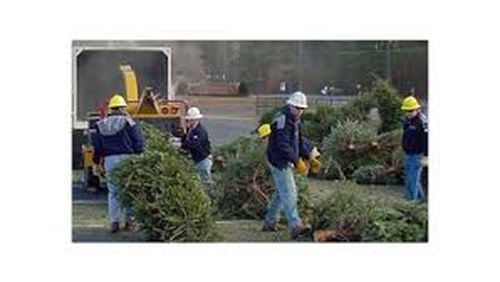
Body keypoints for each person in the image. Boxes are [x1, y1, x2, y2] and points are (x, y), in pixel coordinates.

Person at [262, 91, 315, 240]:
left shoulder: (295, 120)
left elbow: (298, 141)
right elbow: (282, 145)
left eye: (302, 109)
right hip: (278, 160)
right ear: (290, 105)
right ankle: (295, 225)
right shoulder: (283, 120)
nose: (300, 111)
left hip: (284, 159)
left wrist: (308, 155)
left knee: (280, 192)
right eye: (297, 108)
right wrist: (296, 161)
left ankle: (269, 221)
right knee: (290, 192)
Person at [91, 94, 144, 233]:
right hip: (127, 159)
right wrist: (139, 155)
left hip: (110, 160)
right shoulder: (129, 122)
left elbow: (97, 146)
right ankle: (130, 222)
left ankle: (114, 222)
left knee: (113, 192)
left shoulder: (100, 124)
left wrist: (97, 161)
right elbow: (138, 141)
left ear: (111, 108)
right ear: (122, 108)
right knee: (128, 190)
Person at [401, 95, 428, 203]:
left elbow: (427, 139)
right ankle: (420, 199)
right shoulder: (408, 121)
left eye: (411, 110)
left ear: (417, 109)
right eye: (406, 111)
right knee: (411, 178)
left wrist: (426, 155)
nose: (408, 113)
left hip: (417, 154)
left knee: (412, 179)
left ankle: (412, 202)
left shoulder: (422, 122)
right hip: (408, 153)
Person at [181, 107, 213, 195]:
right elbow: (185, 143)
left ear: (195, 120)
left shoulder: (200, 131)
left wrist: (186, 143)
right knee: (199, 181)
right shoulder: (191, 130)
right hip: (196, 160)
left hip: (203, 160)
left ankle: (210, 198)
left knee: (205, 182)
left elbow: (193, 144)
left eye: (190, 120)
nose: (188, 122)